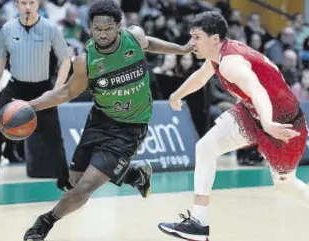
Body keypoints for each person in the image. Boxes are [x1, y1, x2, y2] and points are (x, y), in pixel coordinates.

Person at [158, 11, 309, 241]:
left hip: (283, 123)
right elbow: (201, 77)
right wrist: (176, 94)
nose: (192, 43)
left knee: (285, 184)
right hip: (252, 113)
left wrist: (269, 122)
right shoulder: (218, 54)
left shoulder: (231, 62)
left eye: (197, 37)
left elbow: (257, 89)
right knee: (205, 147)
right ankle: (199, 223)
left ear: (214, 38)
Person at [23, 1, 192, 240]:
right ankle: (134, 175)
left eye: (108, 29)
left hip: (131, 128)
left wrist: (183, 50)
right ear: (90, 28)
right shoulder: (86, 60)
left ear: (119, 27)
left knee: (85, 188)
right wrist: (29, 105)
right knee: (75, 181)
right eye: (97, 29)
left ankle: (44, 223)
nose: (103, 34)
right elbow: (66, 92)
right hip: (100, 119)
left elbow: (150, 44)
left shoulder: (134, 38)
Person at [0, 0, 73, 206]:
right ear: (17, 5)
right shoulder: (7, 28)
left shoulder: (50, 28)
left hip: (42, 90)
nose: (28, 6)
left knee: (54, 140)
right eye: (24, 2)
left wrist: (58, 89)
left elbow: (66, 60)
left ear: (38, 4)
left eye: (32, 2)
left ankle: (66, 182)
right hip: (15, 89)